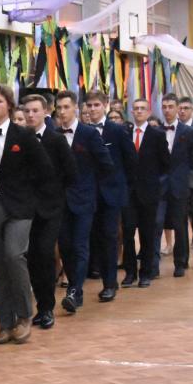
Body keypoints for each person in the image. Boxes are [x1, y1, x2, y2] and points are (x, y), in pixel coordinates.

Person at [0, 84, 51, 342]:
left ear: (9, 105)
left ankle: (25, 315)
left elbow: (44, 170)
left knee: (14, 255)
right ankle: (5, 323)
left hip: (20, 207)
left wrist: (33, 200)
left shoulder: (24, 135)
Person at [51, 90, 110, 313]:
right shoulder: (53, 135)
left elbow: (105, 164)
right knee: (65, 245)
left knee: (80, 244)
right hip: (60, 200)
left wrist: (92, 186)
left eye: (66, 107)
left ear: (76, 108)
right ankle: (76, 289)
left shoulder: (89, 134)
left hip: (84, 198)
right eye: (59, 108)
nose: (62, 111)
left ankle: (75, 290)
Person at [21, 93, 74, 328]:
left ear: (45, 112)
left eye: (35, 110)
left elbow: (71, 172)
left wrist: (55, 195)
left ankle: (46, 308)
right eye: (27, 111)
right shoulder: (19, 139)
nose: (30, 115)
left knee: (44, 253)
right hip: (25, 208)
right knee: (32, 257)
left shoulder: (56, 140)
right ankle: (40, 306)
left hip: (51, 208)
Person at [83, 90, 133, 301]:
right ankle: (102, 276)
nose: (93, 109)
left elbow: (130, 160)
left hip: (111, 193)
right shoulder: (83, 130)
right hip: (88, 193)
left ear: (105, 105)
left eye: (97, 105)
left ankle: (110, 283)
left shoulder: (117, 130)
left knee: (110, 237)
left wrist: (122, 188)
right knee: (94, 238)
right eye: (89, 105)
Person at [125, 97, 169, 285]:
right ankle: (130, 273)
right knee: (127, 232)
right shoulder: (125, 133)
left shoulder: (157, 135)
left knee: (147, 233)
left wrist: (154, 182)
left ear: (149, 112)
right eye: (136, 108)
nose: (139, 111)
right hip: (128, 192)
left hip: (149, 192)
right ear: (131, 112)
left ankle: (146, 273)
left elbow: (165, 163)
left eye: (142, 108)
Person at [159, 95, 193, 277]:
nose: (167, 110)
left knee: (180, 224)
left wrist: (185, 176)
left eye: (171, 106)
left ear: (177, 108)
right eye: (164, 107)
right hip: (160, 185)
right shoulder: (156, 131)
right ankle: (153, 265)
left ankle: (181, 261)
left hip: (180, 184)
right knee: (157, 223)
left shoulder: (188, 132)